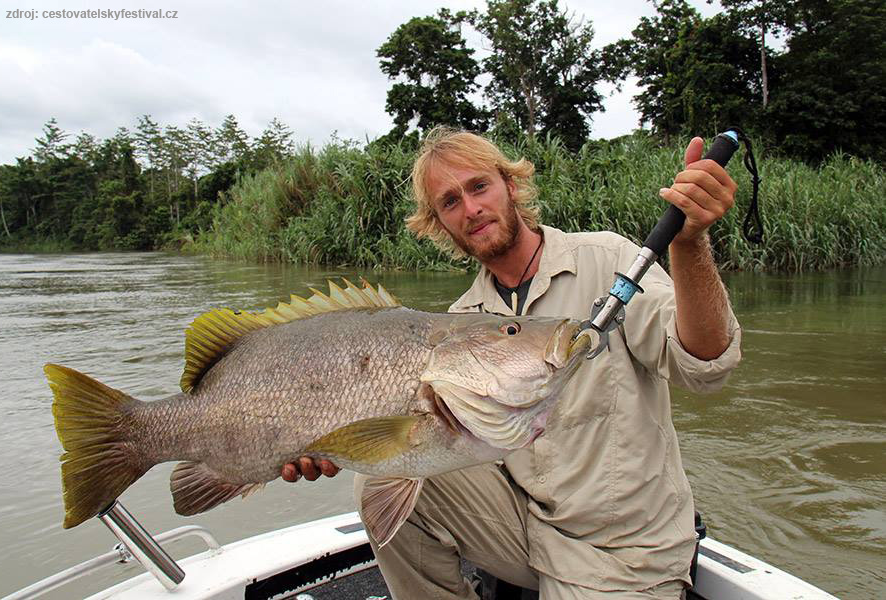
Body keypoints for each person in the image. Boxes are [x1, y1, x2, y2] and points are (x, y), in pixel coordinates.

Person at [282, 127, 742, 599]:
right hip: (531, 536)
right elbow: (425, 443)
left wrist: (688, 245)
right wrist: (329, 442)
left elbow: (704, 367)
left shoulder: (611, 261)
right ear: (439, 223)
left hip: (628, 553)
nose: (471, 208)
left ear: (511, 186)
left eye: (479, 186)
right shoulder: (458, 323)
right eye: (450, 202)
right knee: (382, 481)